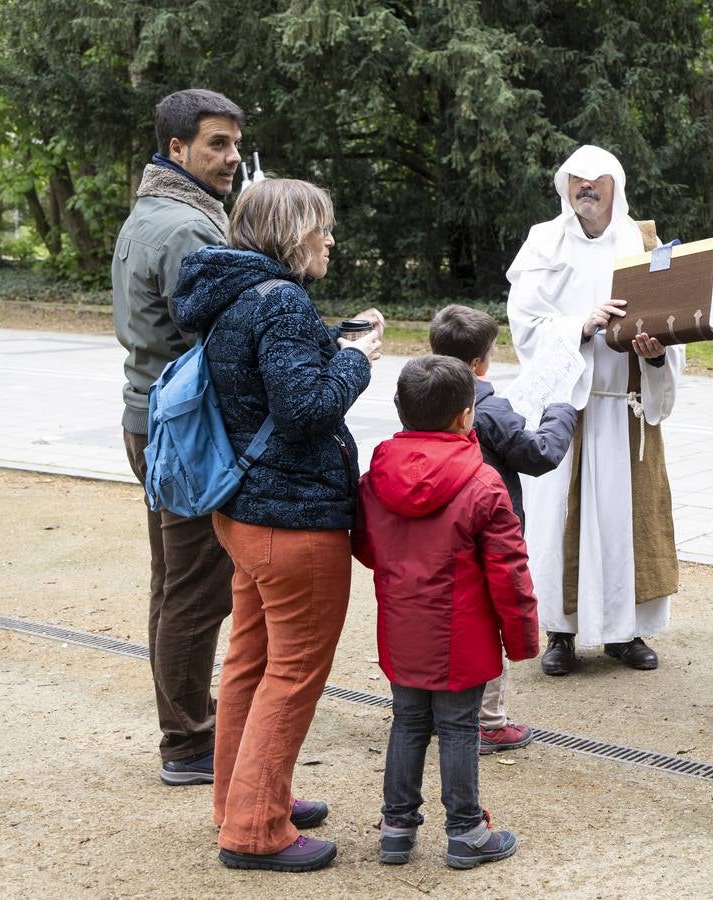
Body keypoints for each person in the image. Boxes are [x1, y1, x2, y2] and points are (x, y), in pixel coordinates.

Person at [171, 178, 383, 871]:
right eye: (322, 227)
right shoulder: (282, 300)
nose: (330, 239)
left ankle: (239, 800)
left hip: (245, 514)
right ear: (293, 234)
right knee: (292, 674)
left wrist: (332, 339)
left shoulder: (234, 292)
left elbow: (266, 378)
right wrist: (356, 359)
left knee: (251, 664)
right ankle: (256, 830)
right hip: (293, 521)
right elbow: (302, 409)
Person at [353, 354, 539, 870]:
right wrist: (521, 637)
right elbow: (509, 571)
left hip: (401, 623)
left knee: (408, 721)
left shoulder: (376, 477)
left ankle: (396, 827)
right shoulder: (483, 483)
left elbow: (365, 544)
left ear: (400, 409)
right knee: (459, 728)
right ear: (466, 415)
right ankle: (466, 830)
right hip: (463, 632)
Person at [506, 145, 684, 676]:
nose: (585, 187)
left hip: (624, 407)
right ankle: (560, 633)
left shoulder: (643, 244)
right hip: (564, 408)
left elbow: (671, 318)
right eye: (576, 179)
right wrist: (580, 326)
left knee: (625, 523)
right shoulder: (544, 241)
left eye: (596, 179)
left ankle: (624, 633)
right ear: (565, 186)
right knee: (557, 521)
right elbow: (525, 325)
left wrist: (657, 354)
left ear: (615, 186)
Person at [112, 88, 244, 786]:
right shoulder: (189, 228)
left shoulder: (151, 212)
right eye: (217, 143)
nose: (232, 156)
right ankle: (189, 743)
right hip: (186, 432)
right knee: (196, 592)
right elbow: (224, 337)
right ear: (177, 149)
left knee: (174, 584)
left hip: (149, 420)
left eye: (235, 143)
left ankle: (186, 722)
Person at [428, 304, 576, 752]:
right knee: (486, 627)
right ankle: (489, 723)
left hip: (435, 534)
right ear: (479, 364)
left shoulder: (418, 396)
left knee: (441, 621)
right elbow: (540, 454)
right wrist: (561, 410)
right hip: (486, 536)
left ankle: (437, 711)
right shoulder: (488, 410)